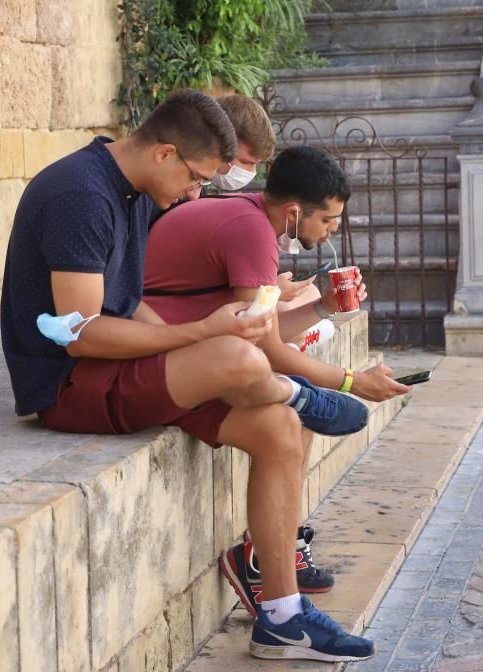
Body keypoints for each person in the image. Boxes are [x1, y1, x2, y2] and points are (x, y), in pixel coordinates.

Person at [0, 89, 376, 662]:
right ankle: (301, 395)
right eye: (197, 178)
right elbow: (81, 334)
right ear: (165, 154)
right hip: (70, 383)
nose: (198, 193)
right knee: (242, 358)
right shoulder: (83, 195)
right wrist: (200, 336)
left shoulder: (131, 188)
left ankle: (281, 616)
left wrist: (203, 334)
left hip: (119, 362)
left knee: (274, 427)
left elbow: (130, 305)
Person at [144, 139, 411, 621]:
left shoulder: (251, 219)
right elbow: (265, 349)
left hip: (198, 347)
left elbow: (258, 329)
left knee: (295, 419)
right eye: (327, 220)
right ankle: (309, 402)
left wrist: (321, 307)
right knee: (296, 405)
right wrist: (350, 381)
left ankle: (265, 553)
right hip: (163, 357)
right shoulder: (250, 231)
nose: (331, 231)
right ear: (293, 212)